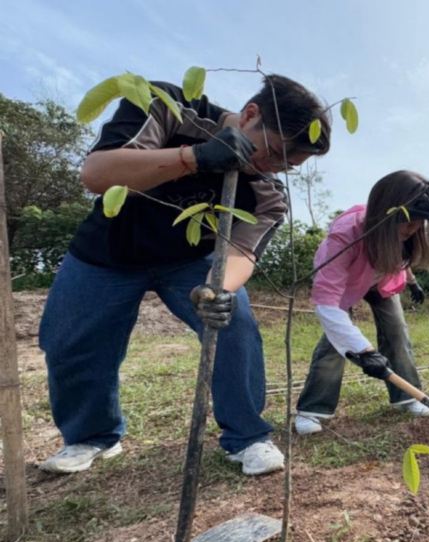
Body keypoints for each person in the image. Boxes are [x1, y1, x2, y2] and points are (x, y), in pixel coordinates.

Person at [39, 74, 331, 475]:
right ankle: (92, 436)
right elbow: (97, 173)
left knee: (236, 324)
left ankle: (247, 437)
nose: (274, 168)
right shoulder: (171, 107)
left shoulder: (267, 194)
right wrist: (194, 157)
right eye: (274, 153)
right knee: (71, 342)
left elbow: (242, 250)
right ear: (250, 115)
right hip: (107, 251)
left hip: (189, 262)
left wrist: (219, 289)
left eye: (288, 165)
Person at [293, 170, 429, 435]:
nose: (414, 228)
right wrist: (363, 350)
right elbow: (327, 301)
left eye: (420, 221)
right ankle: (313, 409)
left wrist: (413, 283)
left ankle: (407, 396)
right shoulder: (346, 234)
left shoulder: (409, 234)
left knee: (396, 331)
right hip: (344, 285)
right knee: (335, 344)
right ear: (386, 214)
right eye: (408, 221)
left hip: (382, 281)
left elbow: (399, 260)